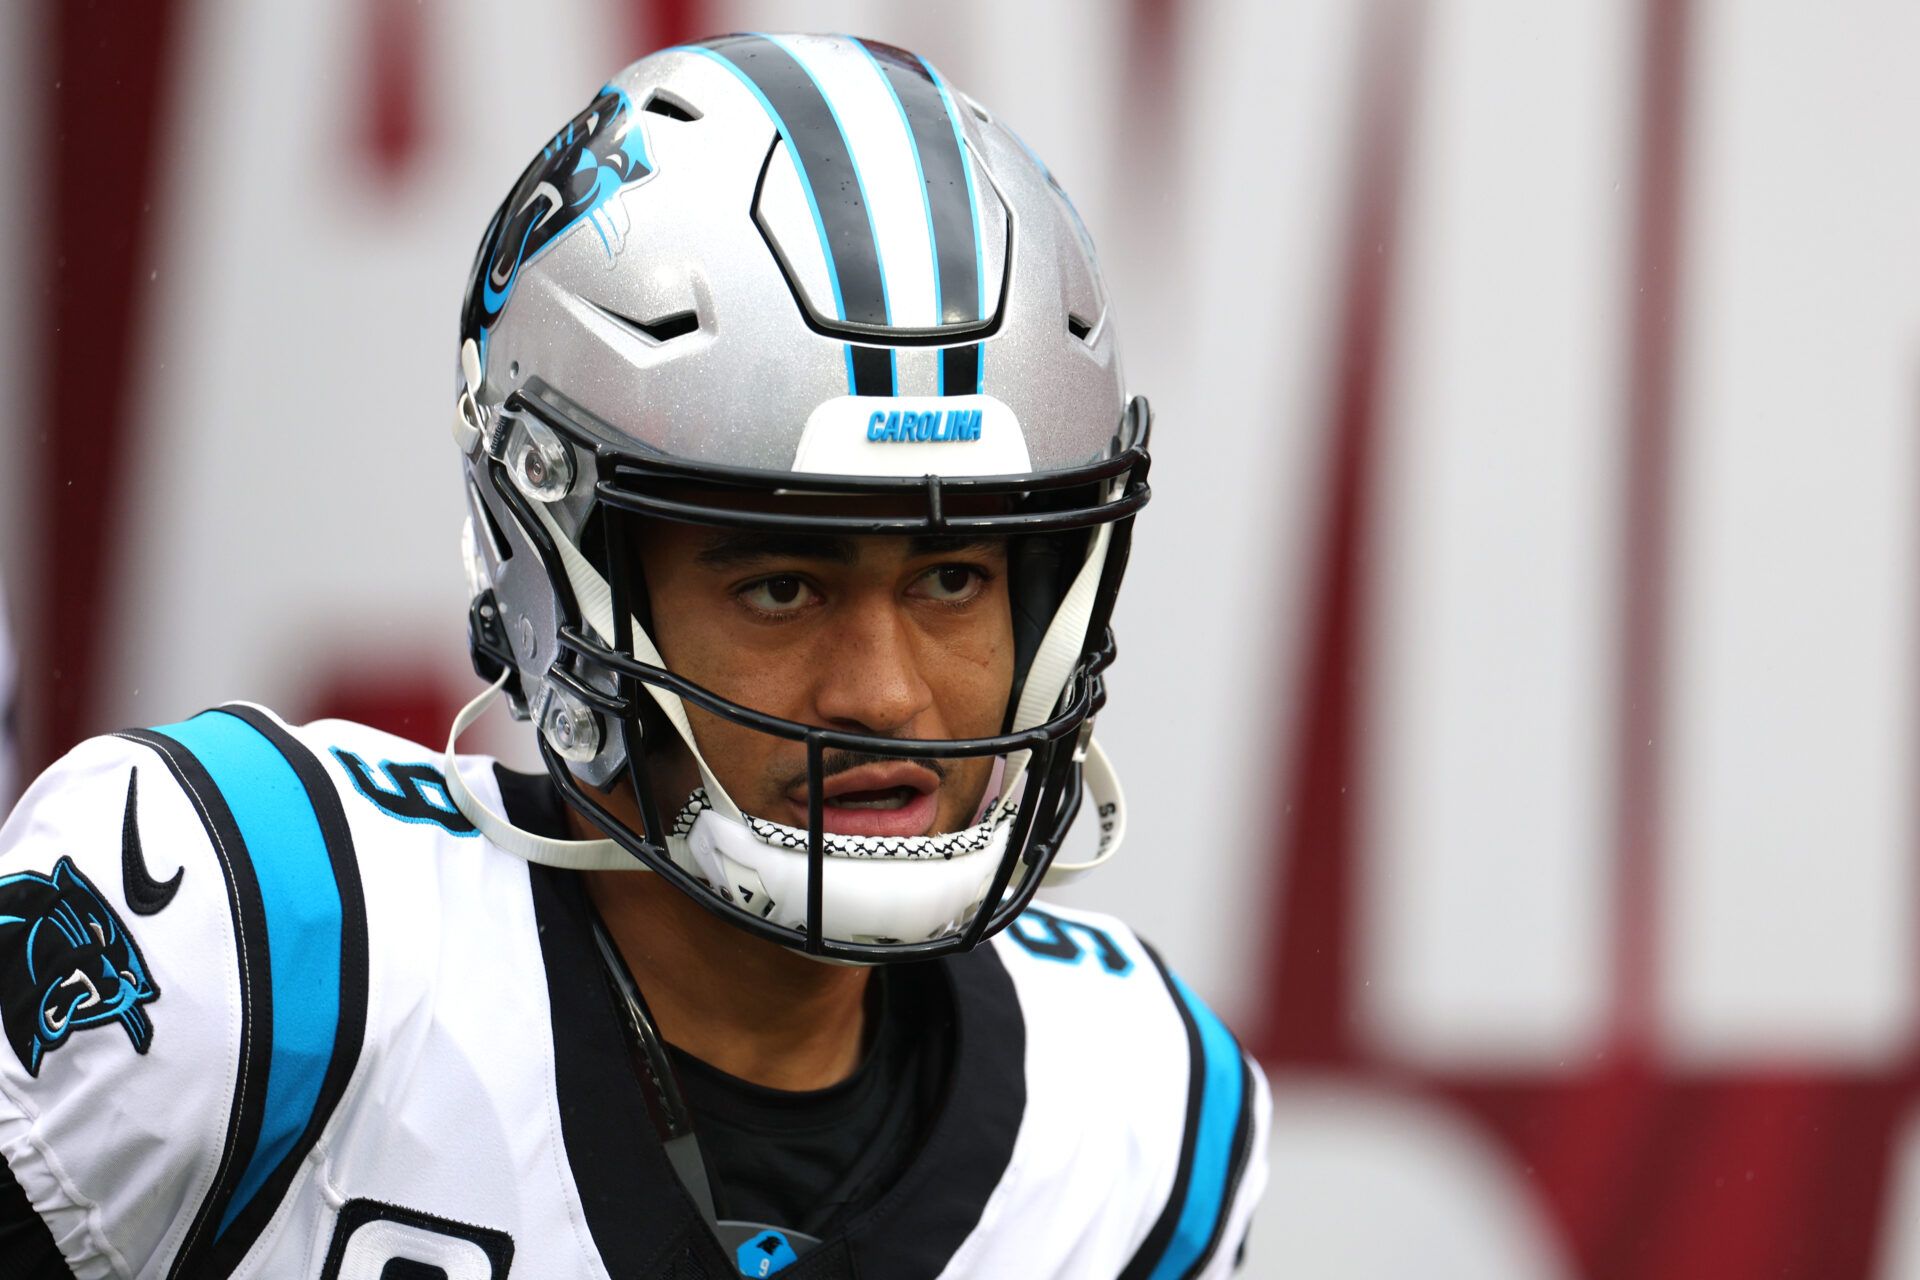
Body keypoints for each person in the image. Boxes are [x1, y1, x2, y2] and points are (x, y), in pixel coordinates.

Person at [0, 34, 1268, 1279]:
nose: (885, 693)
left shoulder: (1144, 1123)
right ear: (557, 567)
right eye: (782, 584)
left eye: (951, 578)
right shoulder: (252, 943)